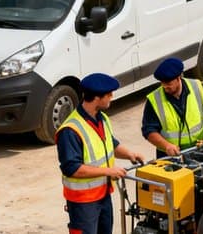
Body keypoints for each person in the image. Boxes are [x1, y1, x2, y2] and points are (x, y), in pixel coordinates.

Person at [56, 73, 145, 234]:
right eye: (109, 94)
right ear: (97, 97)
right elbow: (72, 168)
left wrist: (130, 154)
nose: (112, 96)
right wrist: (109, 171)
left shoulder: (101, 118)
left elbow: (111, 143)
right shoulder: (70, 130)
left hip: (103, 195)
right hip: (83, 202)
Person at [141, 57, 203, 157]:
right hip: (169, 156)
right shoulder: (154, 100)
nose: (165, 87)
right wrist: (166, 145)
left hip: (198, 150)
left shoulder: (197, 87)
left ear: (179, 78)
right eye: (162, 83)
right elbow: (149, 130)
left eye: (168, 83)